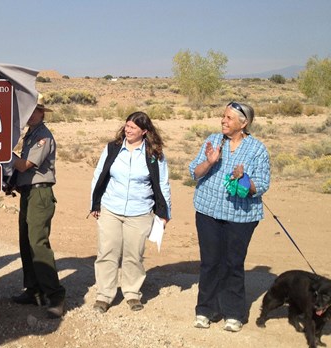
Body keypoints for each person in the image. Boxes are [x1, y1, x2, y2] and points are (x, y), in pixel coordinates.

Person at [189, 102, 270, 332]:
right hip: (208, 212)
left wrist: (244, 179)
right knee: (210, 262)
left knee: (233, 263)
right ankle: (205, 309)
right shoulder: (213, 141)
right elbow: (195, 172)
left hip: (241, 216)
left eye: (228, 118)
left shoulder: (257, 149)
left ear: (243, 123)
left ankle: (233, 313)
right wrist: (210, 162)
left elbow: (262, 184)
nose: (223, 121)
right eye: (223, 117)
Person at [89, 111, 171, 313]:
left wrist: (164, 212)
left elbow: (163, 183)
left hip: (140, 211)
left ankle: (132, 293)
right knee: (107, 252)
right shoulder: (113, 148)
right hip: (111, 208)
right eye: (126, 126)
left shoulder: (154, 154)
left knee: (134, 254)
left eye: (133, 127)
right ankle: (104, 295)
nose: (128, 130)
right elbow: (98, 175)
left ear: (144, 131)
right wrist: (95, 203)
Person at [10, 93, 66, 319]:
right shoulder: (31, 134)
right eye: (29, 110)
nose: (31, 114)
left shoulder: (43, 136)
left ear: (42, 113)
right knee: (26, 242)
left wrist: (3, 151)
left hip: (40, 194)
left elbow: (25, 165)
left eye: (35, 110)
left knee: (38, 244)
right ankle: (33, 290)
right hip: (28, 193)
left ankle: (55, 295)